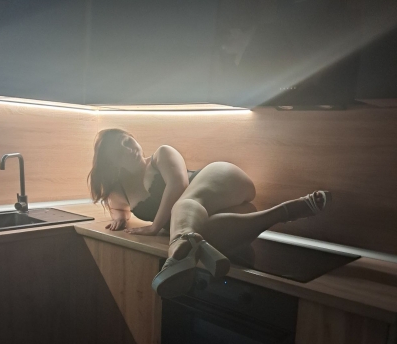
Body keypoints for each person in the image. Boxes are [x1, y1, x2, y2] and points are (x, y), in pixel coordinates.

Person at [88, 128, 331, 298]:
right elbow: (118, 208)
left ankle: (178, 249)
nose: (128, 149)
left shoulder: (162, 155)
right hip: (233, 212)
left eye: (127, 141)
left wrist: (154, 227)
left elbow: (178, 186)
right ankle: (281, 212)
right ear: (112, 163)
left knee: (184, 202)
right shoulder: (120, 189)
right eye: (118, 151)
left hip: (223, 179)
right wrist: (119, 219)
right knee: (207, 236)